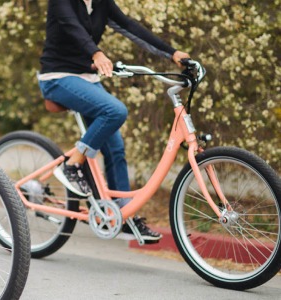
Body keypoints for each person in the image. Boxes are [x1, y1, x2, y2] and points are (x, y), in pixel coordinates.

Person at [38, 0, 190, 243]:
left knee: (116, 149)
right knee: (115, 111)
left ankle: (125, 214)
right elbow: (71, 26)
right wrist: (96, 53)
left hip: (86, 78)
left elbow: (130, 26)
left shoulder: (101, 3)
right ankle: (72, 164)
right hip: (57, 76)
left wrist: (172, 53)